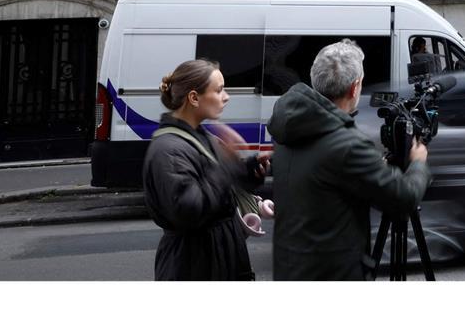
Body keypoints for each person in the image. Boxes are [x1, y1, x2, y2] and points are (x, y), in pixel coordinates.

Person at [268, 38, 432, 280]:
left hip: (290, 270)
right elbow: (404, 198)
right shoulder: (347, 144)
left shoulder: (289, 128)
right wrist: (418, 162)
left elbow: (324, 182)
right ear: (355, 87)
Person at [141, 59, 271, 280]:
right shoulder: (168, 149)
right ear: (193, 98)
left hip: (215, 258)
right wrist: (227, 168)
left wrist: (250, 171)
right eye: (219, 90)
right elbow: (187, 210)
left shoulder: (203, 137)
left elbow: (220, 185)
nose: (226, 96)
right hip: (193, 265)